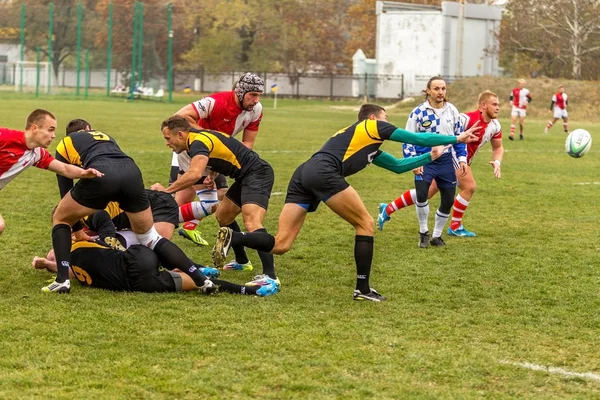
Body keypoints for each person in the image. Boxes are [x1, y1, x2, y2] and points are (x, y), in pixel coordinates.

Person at [211, 104, 480, 302]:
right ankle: (362, 289)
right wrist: (455, 138)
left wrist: (429, 158)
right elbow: (418, 138)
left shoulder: (369, 147)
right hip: (324, 172)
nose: (388, 125)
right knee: (365, 223)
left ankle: (235, 237)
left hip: (304, 173)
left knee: (281, 244)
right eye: (386, 119)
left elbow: (399, 166)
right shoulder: (371, 126)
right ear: (373, 118)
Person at [42, 118, 216, 295]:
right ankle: (201, 279)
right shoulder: (105, 136)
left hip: (103, 175)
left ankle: (62, 280)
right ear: (88, 129)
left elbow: (66, 190)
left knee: (61, 218)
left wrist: (77, 229)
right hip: (132, 172)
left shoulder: (65, 144)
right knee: (150, 238)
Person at [152, 115, 279, 288]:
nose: (167, 143)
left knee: (252, 222)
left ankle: (270, 276)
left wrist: (166, 191)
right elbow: (224, 153)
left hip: (258, 174)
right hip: (245, 177)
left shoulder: (198, 142)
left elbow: (194, 174)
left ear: (180, 134)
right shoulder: (197, 138)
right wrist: (212, 175)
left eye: (168, 138)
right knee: (223, 217)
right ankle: (242, 261)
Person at [378, 90, 503, 237]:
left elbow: (498, 147)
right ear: (483, 106)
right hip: (451, 156)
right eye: (494, 104)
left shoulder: (495, 125)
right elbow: (447, 130)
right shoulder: (466, 119)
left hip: (458, 159)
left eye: (498, 105)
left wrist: (497, 162)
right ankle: (455, 226)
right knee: (469, 186)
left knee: (427, 193)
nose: (498, 108)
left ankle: (388, 209)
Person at [170, 72, 264, 260]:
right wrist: (207, 136)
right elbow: (179, 116)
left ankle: (162, 225)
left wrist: (222, 166)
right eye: (252, 95)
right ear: (240, 92)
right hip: (194, 154)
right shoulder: (216, 102)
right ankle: (154, 227)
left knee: (207, 200)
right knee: (195, 199)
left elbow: (247, 145)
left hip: (218, 157)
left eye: (258, 95)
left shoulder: (256, 109)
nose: (256, 100)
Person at [32, 241, 279, 296]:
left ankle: (247, 291)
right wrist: (49, 264)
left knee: (191, 284)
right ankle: (248, 290)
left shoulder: (73, 270)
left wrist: (47, 265)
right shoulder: (79, 245)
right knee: (154, 240)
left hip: (138, 284)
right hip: (138, 263)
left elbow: (69, 271)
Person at [0, 109, 103, 237]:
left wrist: (84, 173)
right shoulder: (5, 137)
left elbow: (64, 169)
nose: (53, 135)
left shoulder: (36, 154)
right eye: (50, 129)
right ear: (34, 128)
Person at [395, 76, 469, 248]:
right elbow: (407, 139)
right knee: (421, 195)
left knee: (448, 200)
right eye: (436, 88)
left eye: (443, 88)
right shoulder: (418, 112)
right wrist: (413, 162)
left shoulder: (452, 111)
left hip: (445, 162)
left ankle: (436, 236)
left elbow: (460, 138)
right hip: (424, 159)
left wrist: (462, 159)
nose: (440, 92)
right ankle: (423, 233)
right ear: (428, 91)